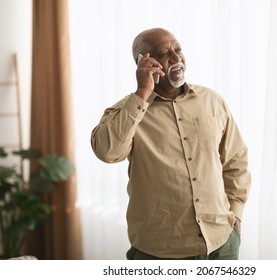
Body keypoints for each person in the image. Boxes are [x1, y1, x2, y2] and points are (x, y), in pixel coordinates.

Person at [91, 28, 251, 260]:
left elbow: (236, 160)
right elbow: (107, 152)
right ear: (143, 62)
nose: (176, 58)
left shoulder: (212, 101)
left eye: (178, 49)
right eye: (164, 53)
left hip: (221, 243)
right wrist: (143, 92)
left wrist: (235, 214)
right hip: (160, 252)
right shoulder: (126, 111)